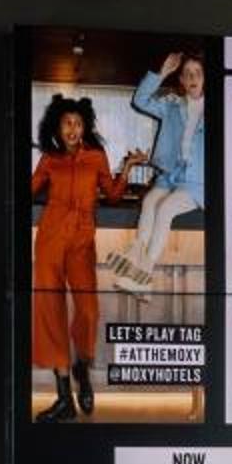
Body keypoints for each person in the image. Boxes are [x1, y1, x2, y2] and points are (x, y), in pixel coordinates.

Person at [29, 94, 136, 420]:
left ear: (85, 127)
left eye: (78, 123)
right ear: (57, 128)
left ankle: (82, 367)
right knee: (50, 310)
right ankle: (65, 398)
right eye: (67, 123)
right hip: (50, 238)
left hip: (82, 241)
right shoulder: (49, 158)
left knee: (88, 310)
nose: (73, 129)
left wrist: (127, 168)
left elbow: (113, 195)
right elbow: (29, 190)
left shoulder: (96, 157)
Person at [111, 51, 206, 293]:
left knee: (165, 209)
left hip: (195, 181)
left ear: (205, 78)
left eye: (197, 73)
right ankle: (134, 268)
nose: (192, 78)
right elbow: (140, 100)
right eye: (187, 74)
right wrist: (162, 73)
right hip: (169, 175)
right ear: (181, 80)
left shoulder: (218, 109)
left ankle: (143, 275)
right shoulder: (172, 105)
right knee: (149, 202)